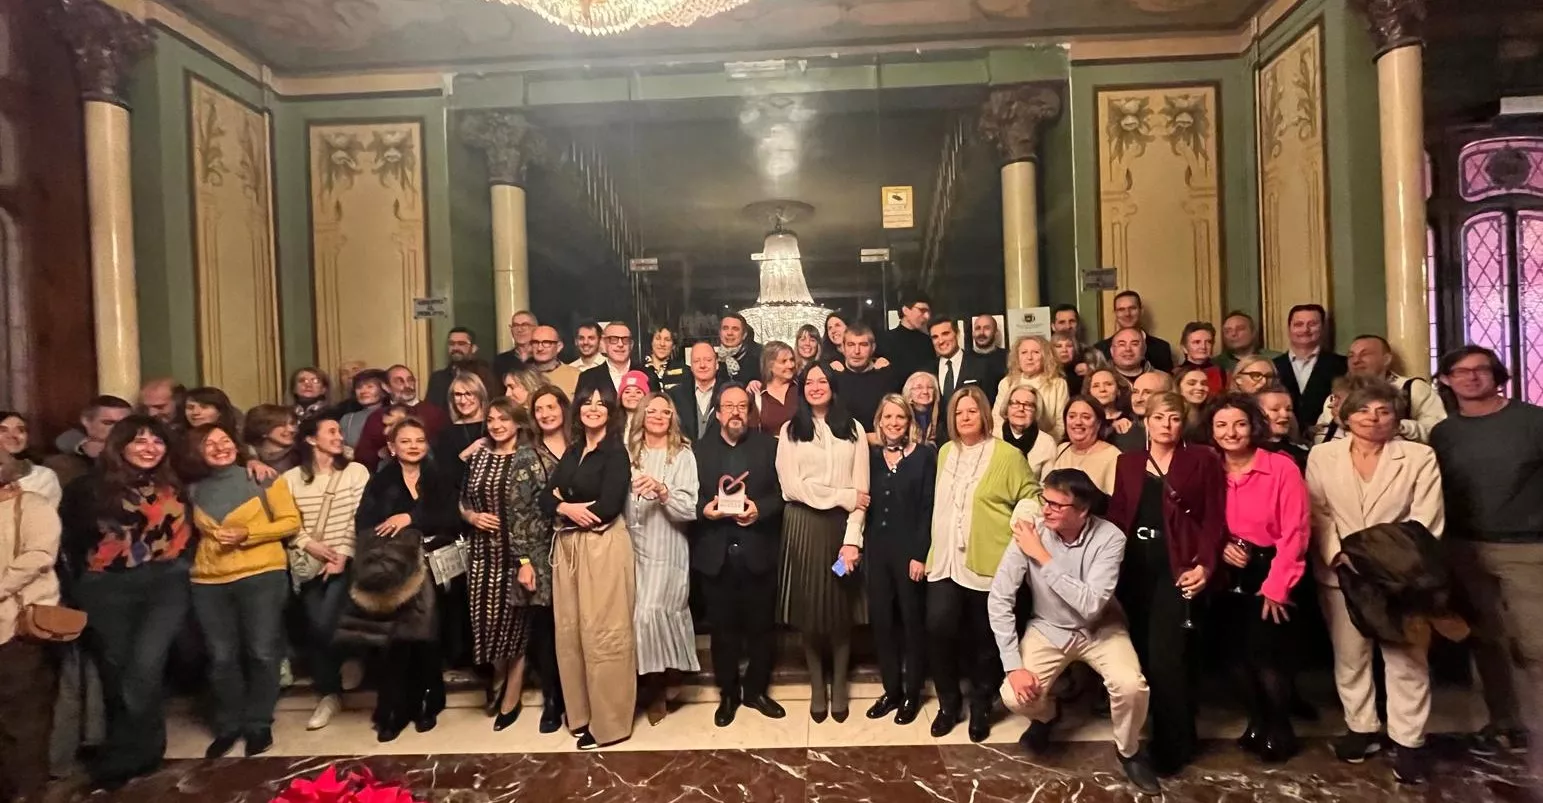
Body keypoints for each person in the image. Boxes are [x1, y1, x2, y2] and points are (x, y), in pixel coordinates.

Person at [1305, 378, 1444, 783]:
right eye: (1363, 410)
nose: (1373, 418)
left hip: (1402, 574)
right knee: (1351, 657)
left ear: (1397, 418)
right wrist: (1339, 555)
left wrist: (1384, 561)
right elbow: (1318, 512)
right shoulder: (1323, 455)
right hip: (1341, 571)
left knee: (1406, 659)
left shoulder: (1419, 456)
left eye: (1384, 411)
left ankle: (1409, 741)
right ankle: (1361, 728)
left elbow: (1426, 519)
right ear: (1346, 417)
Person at [990, 469, 1161, 796]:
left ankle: (1128, 751)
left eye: (1057, 505)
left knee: (1131, 686)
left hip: (1101, 628)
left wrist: (1042, 556)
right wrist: (1013, 666)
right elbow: (999, 598)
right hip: (1048, 628)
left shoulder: (1110, 538)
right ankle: (1046, 717)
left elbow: (1091, 605)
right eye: (1045, 500)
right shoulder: (1031, 532)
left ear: (1083, 511)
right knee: (1013, 694)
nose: (1046, 510)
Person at [58, 416, 191, 790]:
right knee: (116, 670)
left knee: (146, 665)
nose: (150, 448)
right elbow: (70, 542)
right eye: (140, 440)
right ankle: (134, 751)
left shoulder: (175, 484)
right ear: (121, 444)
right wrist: (76, 589)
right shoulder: (87, 488)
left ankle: (139, 752)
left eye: (157, 441)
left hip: (165, 583)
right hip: (106, 586)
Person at [1430, 346, 1541, 760]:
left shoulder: (1533, 421)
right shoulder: (1444, 433)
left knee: (1536, 642)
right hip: (1465, 548)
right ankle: (1503, 723)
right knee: (1486, 641)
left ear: (1497, 375)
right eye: (1461, 371)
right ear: (1446, 379)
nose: (1472, 377)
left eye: (1481, 369)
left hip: (1528, 547)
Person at [1105, 391, 1223, 775]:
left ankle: (1175, 743)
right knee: (1142, 656)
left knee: (1166, 658)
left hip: (1177, 569)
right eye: (1159, 418)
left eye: (1174, 418)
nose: (1166, 426)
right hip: (1135, 570)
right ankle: (1160, 730)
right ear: (1147, 421)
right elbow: (1118, 516)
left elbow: (1213, 518)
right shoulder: (1128, 462)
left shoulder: (1202, 459)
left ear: (1183, 422)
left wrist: (1206, 565)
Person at [927, 385, 1037, 742]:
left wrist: (1017, 525)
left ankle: (981, 705)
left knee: (985, 639)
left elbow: (1031, 495)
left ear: (985, 415)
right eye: (959, 412)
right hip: (944, 560)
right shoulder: (945, 452)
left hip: (987, 561)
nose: (965, 417)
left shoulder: (1007, 455)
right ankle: (948, 703)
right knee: (939, 629)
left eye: (972, 411)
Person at [1204, 393, 1310, 762]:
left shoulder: (1281, 467)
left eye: (1240, 424)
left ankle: (1280, 728)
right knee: (1234, 656)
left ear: (1254, 426)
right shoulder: (1208, 467)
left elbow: (1296, 531)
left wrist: (1278, 586)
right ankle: (1256, 720)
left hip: (1271, 568)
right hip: (1225, 572)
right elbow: (1198, 519)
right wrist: (1219, 545)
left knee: (1267, 657)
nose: (1231, 432)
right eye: (1221, 425)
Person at [186, 423, 301, 759]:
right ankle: (228, 725)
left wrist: (248, 535)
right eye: (209, 443)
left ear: (236, 446)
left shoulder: (263, 478)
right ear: (197, 451)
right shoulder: (192, 489)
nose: (219, 447)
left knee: (262, 651)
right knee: (221, 657)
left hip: (262, 574)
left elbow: (291, 522)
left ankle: (258, 723)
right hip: (208, 580)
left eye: (224, 440)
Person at [349, 417, 454, 742]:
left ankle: (428, 703)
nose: (413, 446)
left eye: (419, 440)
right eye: (406, 441)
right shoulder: (381, 482)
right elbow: (364, 523)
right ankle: (394, 709)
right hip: (395, 571)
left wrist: (411, 517)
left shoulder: (438, 477)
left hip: (433, 569)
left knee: (427, 639)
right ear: (392, 447)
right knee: (394, 642)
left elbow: (451, 517)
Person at [542, 385, 635, 750]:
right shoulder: (573, 450)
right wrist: (565, 507)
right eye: (587, 402)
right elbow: (544, 497)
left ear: (611, 411)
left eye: (601, 403)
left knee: (604, 634)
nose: (593, 408)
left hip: (603, 547)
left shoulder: (617, 453)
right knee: (570, 633)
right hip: (568, 548)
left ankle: (609, 725)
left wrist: (564, 505)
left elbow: (608, 507)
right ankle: (581, 715)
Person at [776, 363, 869, 723]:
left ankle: (840, 683)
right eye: (809, 382)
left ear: (833, 386)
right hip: (802, 528)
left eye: (823, 381)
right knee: (809, 610)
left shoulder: (854, 429)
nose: (816, 386)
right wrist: (842, 495)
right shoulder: (790, 430)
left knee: (840, 608)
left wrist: (853, 540)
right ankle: (817, 684)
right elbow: (791, 488)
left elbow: (862, 493)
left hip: (840, 532)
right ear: (802, 389)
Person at [692, 383, 787, 727]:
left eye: (742, 406)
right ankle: (728, 694)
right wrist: (704, 510)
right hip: (715, 554)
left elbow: (783, 494)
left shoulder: (770, 447)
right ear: (717, 413)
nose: (735, 412)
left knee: (762, 628)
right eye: (728, 406)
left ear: (749, 412)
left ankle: (756, 691)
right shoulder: (697, 451)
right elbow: (688, 497)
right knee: (723, 632)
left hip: (758, 551)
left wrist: (760, 509)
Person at [281, 416, 369, 732]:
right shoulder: (290, 479)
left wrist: (342, 554)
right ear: (310, 439)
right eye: (331, 431)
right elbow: (288, 521)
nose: (339, 436)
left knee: (328, 620)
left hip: (346, 561)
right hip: (309, 563)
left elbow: (359, 515)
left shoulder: (356, 471)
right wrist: (311, 546)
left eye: (339, 431)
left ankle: (352, 660)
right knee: (315, 626)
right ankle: (329, 693)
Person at [458, 397, 535, 731]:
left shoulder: (528, 457)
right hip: (482, 554)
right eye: (491, 420)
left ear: (517, 422)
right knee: (487, 623)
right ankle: (499, 676)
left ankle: (511, 694)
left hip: (517, 553)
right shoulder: (478, 456)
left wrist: (527, 558)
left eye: (503, 419)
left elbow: (534, 509)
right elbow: (462, 499)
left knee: (516, 625)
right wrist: (471, 517)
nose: (496, 425)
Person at [626, 393, 700, 725]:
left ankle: (662, 683)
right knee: (637, 616)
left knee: (652, 613)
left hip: (668, 544)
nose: (658, 416)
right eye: (652, 411)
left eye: (665, 412)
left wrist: (662, 490)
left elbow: (690, 507)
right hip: (632, 545)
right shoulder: (628, 453)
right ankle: (656, 680)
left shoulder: (681, 455)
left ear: (673, 418)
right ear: (641, 416)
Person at [863, 395, 935, 725]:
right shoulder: (870, 457)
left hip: (910, 554)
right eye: (888, 417)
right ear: (879, 421)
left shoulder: (924, 456)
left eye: (900, 417)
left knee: (912, 623)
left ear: (909, 422)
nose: (893, 423)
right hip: (877, 551)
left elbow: (928, 508)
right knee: (882, 622)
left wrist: (920, 554)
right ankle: (891, 690)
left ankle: (912, 693)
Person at [0, 450, 62, 802]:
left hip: (17, 626)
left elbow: (38, 556)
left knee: (22, 716)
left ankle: (27, 791)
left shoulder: (33, 505)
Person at [503, 397, 565, 735]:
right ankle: (552, 700)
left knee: (573, 627)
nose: (545, 414)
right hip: (539, 552)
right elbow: (517, 511)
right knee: (546, 630)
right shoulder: (527, 455)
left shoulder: (580, 446)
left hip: (576, 546)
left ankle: (576, 696)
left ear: (564, 409)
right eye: (539, 409)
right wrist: (523, 561)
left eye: (551, 407)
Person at [1315, 335, 1446, 444]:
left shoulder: (1413, 388)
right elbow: (1320, 435)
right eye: (1351, 356)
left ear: (1386, 359)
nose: (1356, 361)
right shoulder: (1335, 397)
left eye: (1364, 354)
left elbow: (1438, 431)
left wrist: (1395, 426)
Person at [353, 365, 450, 472]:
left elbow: (446, 451)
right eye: (399, 381)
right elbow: (363, 457)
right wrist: (382, 453)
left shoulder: (435, 413)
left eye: (410, 380)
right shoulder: (377, 417)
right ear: (386, 387)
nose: (407, 385)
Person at [1273, 304, 1347, 432]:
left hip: (1328, 437)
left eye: (1312, 324)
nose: (1305, 330)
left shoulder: (1343, 365)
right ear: (1289, 329)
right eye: (1298, 324)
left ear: (1323, 328)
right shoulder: (1272, 366)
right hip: (1284, 438)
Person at [993, 336, 1069, 442]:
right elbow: (997, 419)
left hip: (1046, 444)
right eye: (1024, 352)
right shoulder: (1006, 383)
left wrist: (1042, 444)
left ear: (1045, 357)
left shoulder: (1058, 384)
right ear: (1017, 357)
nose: (1029, 357)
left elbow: (1062, 424)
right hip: (1008, 444)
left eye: (1036, 352)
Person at [48, 396, 134, 487]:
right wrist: (84, 445)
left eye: (124, 423)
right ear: (86, 421)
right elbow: (64, 439)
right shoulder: (74, 443)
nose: (117, 428)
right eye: (108, 423)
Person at [1047, 396, 1121, 495]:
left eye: (1086, 417)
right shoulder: (1061, 448)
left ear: (1098, 423)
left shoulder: (1113, 456)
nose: (1078, 422)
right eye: (1072, 416)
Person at [831, 322, 900, 427]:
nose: (857, 351)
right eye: (851, 345)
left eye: (863, 345)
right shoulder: (833, 375)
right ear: (843, 348)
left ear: (873, 348)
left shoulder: (887, 376)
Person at [575, 321, 658, 402]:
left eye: (625, 340)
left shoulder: (648, 375)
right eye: (613, 339)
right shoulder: (587, 378)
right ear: (603, 344)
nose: (620, 344)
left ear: (631, 344)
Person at [437, 370, 490, 491]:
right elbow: (445, 477)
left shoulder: (494, 426)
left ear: (480, 395)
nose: (463, 400)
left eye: (468, 394)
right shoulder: (446, 433)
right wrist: (467, 453)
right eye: (458, 395)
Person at [1096, 291, 1175, 371]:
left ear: (1141, 311)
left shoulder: (1161, 348)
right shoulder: (1100, 349)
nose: (1127, 314)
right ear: (1115, 314)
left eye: (1132, 308)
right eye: (1121, 309)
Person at [928, 317, 995, 406]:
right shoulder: (928, 371)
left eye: (945, 334)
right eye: (935, 337)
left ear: (957, 333)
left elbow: (988, 404)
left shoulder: (981, 365)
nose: (940, 341)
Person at [0, 412, 61, 507]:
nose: (13, 435)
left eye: (20, 430)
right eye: (3, 430)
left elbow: (41, 512)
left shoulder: (42, 476)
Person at [670, 341, 724, 442]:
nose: (702, 365)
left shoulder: (728, 392)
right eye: (696, 361)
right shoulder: (675, 395)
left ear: (717, 364)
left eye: (708, 360)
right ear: (691, 366)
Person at [1000, 385, 1056, 479]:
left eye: (1028, 405)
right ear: (1007, 408)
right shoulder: (993, 435)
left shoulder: (1047, 443)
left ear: (1036, 412)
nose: (1021, 409)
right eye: (1015, 403)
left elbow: (1047, 485)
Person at [884, 291, 934, 382]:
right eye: (922, 310)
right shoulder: (885, 339)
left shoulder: (928, 341)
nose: (927, 316)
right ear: (905, 310)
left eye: (928, 312)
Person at [426, 327, 481, 411]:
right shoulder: (437, 379)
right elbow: (430, 411)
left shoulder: (483, 375)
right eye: (451, 343)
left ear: (473, 348)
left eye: (461, 344)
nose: (455, 348)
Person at [338, 370, 388, 454]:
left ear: (384, 390)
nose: (363, 391)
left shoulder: (393, 415)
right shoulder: (347, 419)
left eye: (370, 386)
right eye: (359, 387)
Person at [1087, 368, 1137, 449]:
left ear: (1118, 390)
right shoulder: (1085, 420)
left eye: (1108, 384)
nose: (1102, 389)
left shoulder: (1131, 418)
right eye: (1096, 386)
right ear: (1089, 392)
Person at [757, 341, 798, 438]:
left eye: (792, 360)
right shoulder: (758, 395)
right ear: (770, 365)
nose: (790, 365)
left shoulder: (801, 388)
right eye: (784, 361)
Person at [244, 404, 300, 474]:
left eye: (292, 424)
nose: (291, 429)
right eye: (282, 425)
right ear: (262, 429)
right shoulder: (246, 453)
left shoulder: (301, 454)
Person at [529, 325, 580, 397]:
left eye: (546, 343)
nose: (540, 348)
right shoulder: (522, 376)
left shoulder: (576, 376)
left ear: (559, 346)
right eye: (535, 342)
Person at [1176, 321, 1225, 396]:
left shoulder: (1221, 372)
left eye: (1208, 342)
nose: (1203, 347)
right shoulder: (1175, 373)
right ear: (1184, 347)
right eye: (1197, 342)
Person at [1051, 329, 1102, 397]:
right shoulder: (1047, 371)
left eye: (1069, 346)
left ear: (1075, 349)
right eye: (1059, 346)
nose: (1064, 350)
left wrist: (1090, 373)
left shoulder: (1085, 366)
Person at [717, 313, 762, 386]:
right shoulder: (713, 358)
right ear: (719, 332)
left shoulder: (760, 356)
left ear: (744, 335)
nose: (729, 333)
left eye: (735, 329)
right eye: (725, 328)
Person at [492, 310, 540, 377]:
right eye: (515, 325)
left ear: (536, 328)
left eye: (525, 325)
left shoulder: (542, 357)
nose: (519, 330)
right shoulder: (501, 361)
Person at [902, 371, 942, 445]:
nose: (925, 391)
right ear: (909, 393)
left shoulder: (942, 418)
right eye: (919, 387)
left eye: (930, 387)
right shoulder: (903, 417)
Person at [643, 326, 687, 392]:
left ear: (673, 345)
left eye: (667, 340)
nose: (662, 344)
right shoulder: (639, 370)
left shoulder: (685, 372)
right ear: (651, 342)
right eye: (658, 338)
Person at [970, 314, 1007, 391]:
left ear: (995, 332)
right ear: (973, 333)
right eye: (978, 328)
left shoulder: (1008, 357)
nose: (981, 333)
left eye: (987, 328)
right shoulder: (964, 358)